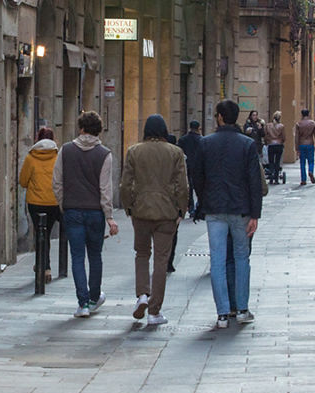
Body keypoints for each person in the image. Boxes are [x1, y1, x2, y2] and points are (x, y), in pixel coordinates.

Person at [190, 100, 264, 329]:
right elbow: (254, 180)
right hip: (241, 209)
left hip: (215, 209)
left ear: (220, 117)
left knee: (218, 260)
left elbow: (197, 176)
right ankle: (242, 309)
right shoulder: (247, 144)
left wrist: (203, 200)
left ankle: (222, 313)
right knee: (242, 258)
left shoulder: (205, 143)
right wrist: (255, 214)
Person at [119, 114, 189, 326]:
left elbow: (125, 184)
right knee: (161, 259)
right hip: (166, 212)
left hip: (141, 211)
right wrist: (181, 210)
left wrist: (129, 206)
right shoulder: (175, 152)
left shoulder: (134, 151)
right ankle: (154, 310)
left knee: (141, 254)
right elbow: (182, 185)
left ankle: (142, 294)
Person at [52, 111, 118, 318]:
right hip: (95, 213)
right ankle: (94, 296)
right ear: (98, 130)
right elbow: (105, 189)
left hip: (72, 210)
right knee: (95, 255)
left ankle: (83, 304)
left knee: (77, 257)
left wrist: (64, 204)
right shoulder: (105, 154)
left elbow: (57, 182)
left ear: (81, 128)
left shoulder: (66, 150)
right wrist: (109, 215)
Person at [19, 126, 60, 281]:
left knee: (40, 234)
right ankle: (45, 268)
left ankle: (43, 266)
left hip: (35, 203)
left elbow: (23, 181)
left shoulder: (31, 157)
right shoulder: (58, 156)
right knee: (47, 233)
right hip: (54, 202)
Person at [177, 120, 204, 215]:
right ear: (198, 128)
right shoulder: (202, 140)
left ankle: (190, 206)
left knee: (189, 187)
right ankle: (199, 206)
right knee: (199, 186)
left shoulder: (182, 139)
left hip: (186, 165)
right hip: (198, 167)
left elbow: (179, 152)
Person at [293, 109, 315, 186]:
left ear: (301, 114)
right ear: (309, 114)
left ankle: (303, 179)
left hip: (302, 144)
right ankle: (310, 171)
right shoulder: (313, 123)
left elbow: (296, 137)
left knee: (302, 162)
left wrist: (296, 148)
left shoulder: (298, 124)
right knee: (311, 161)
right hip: (310, 144)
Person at [263, 111, 286, 184]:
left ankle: (271, 178)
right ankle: (276, 178)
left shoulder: (268, 125)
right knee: (277, 161)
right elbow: (283, 137)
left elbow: (266, 135)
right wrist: (282, 141)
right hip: (279, 145)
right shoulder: (281, 126)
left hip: (271, 145)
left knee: (271, 161)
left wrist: (267, 142)